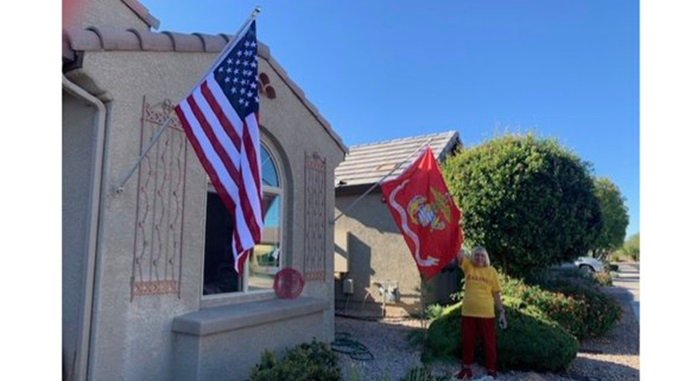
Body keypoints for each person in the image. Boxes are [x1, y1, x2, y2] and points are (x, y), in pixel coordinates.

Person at [454, 246, 507, 380]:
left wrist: (501, 312)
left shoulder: (491, 271)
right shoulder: (468, 266)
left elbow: (496, 293)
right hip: (468, 312)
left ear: (486, 258)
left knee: (489, 343)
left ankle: (491, 371)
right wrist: (457, 234)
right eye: (477, 255)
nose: (479, 258)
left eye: (482, 255)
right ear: (473, 256)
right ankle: (466, 369)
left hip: (487, 314)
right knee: (468, 341)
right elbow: (458, 253)